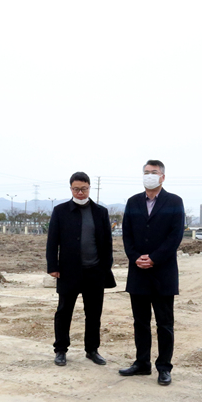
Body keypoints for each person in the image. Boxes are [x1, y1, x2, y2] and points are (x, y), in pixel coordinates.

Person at [119, 160, 185, 386]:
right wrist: (134, 256)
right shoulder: (133, 202)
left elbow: (175, 236)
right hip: (138, 271)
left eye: (154, 172)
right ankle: (142, 363)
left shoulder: (174, 202)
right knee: (140, 322)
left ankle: (164, 367)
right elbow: (127, 234)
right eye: (146, 172)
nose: (149, 175)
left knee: (164, 324)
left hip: (163, 272)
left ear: (162, 177)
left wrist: (155, 258)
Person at [46, 172, 116, 366]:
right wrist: (52, 266)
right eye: (76, 189)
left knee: (93, 313)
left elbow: (107, 243)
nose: (80, 192)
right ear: (71, 189)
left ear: (89, 188)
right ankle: (61, 350)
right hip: (68, 271)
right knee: (64, 312)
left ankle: (92, 350)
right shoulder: (60, 211)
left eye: (83, 189)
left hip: (94, 271)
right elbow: (52, 241)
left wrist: (105, 268)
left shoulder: (100, 212)